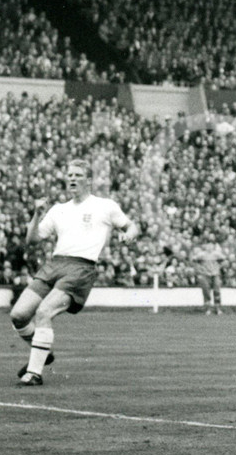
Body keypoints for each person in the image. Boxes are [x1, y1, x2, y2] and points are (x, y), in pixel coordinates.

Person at [8, 159, 139, 386]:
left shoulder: (104, 206)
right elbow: (32, 239)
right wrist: (36, 214)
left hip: (81, 267)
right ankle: (43, 353)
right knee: (18, 315)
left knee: (44, 312)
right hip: (55, 264)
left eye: (78, 175)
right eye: (69, 175)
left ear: (88, 180)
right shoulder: (58, 209)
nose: (72, 179)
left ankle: (34, 373)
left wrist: (129, 235)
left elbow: (131, 226)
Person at [190, 231, 226, 315]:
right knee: (206, 291)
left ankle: (218, 308)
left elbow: (224, 260)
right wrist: (199, 269)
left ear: (213, 246)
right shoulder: (201, 254)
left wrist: (219, 267)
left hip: (215, 274)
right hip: (205, 275)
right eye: (207, 245)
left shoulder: (217, 254)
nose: (209, 247)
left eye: (211, 245)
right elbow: (193, 260)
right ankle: (208, 308)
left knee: (217, 290)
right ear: (205, 246)